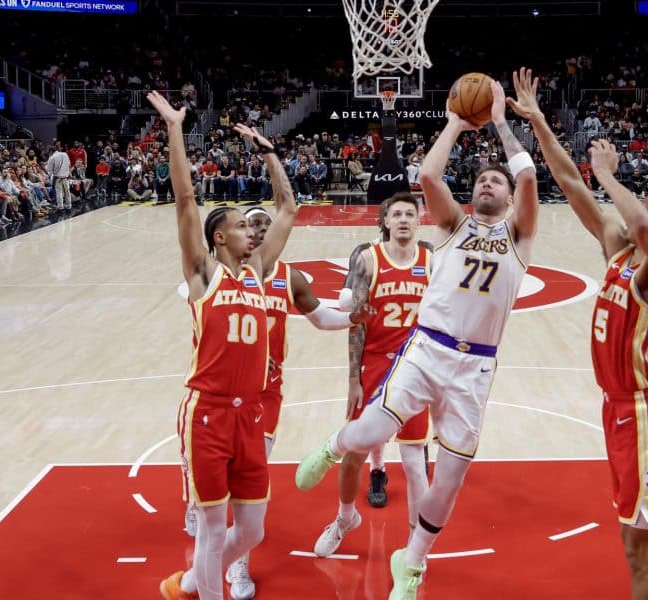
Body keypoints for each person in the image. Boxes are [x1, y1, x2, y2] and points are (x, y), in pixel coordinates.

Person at [295, 73, 539, 599]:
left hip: (475, 369)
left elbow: (528, 180)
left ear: (508, 194)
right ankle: (333, 447)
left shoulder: (519, 236)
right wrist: (454, 121)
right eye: (480, 181)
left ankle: (412, 563)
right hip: (427, 350)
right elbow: (428, 175)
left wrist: (499, 119)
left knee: (447, 481)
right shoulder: (453, 226)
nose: (487, 185)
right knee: (362, 436)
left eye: (496, 181)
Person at [515, 67, 648, 600]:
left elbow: (640, 223)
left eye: (647, 204)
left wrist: (609, 177)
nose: (634, 208)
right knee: (630, 538)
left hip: (645, 412)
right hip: (617, 409)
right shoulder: (621, 251)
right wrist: (538, 124)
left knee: (641, 549)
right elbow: (570, 185)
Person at [146, 90, 299, 600]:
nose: (252, 231)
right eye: (240, 225)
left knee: (251, 530)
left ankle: (192, 581)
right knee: (212, 531)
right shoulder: (202, 275)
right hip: (207, 415)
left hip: (251, 416)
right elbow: (186, 198)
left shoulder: (258, 273)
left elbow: (287, 208)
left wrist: (269, 151)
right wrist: (174, 128)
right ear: (218, 239)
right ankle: (204, 586)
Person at [184, 205, 376, 598]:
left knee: (249, 495)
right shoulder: (224, 276)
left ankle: (226, 557)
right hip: (219, 395)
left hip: (264, 394)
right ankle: (228, 563)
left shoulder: (288, 277)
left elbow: (323, 318)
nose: (256, 232)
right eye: (249, 224)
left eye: (262, 226)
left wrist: (355, 317)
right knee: (217, 514)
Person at [311, 192, 434, 559]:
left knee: (415, 464)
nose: (402, 220)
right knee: (354, 453)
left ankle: (416, 548)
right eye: (395, 214)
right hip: (376, 364)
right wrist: (353, 378)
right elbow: (356, 324)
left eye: (409, 214)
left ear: (418, 220)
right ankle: (344, 518)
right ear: (384, 221)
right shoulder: (368, 259)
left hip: (416, 368)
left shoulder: (432, 261)